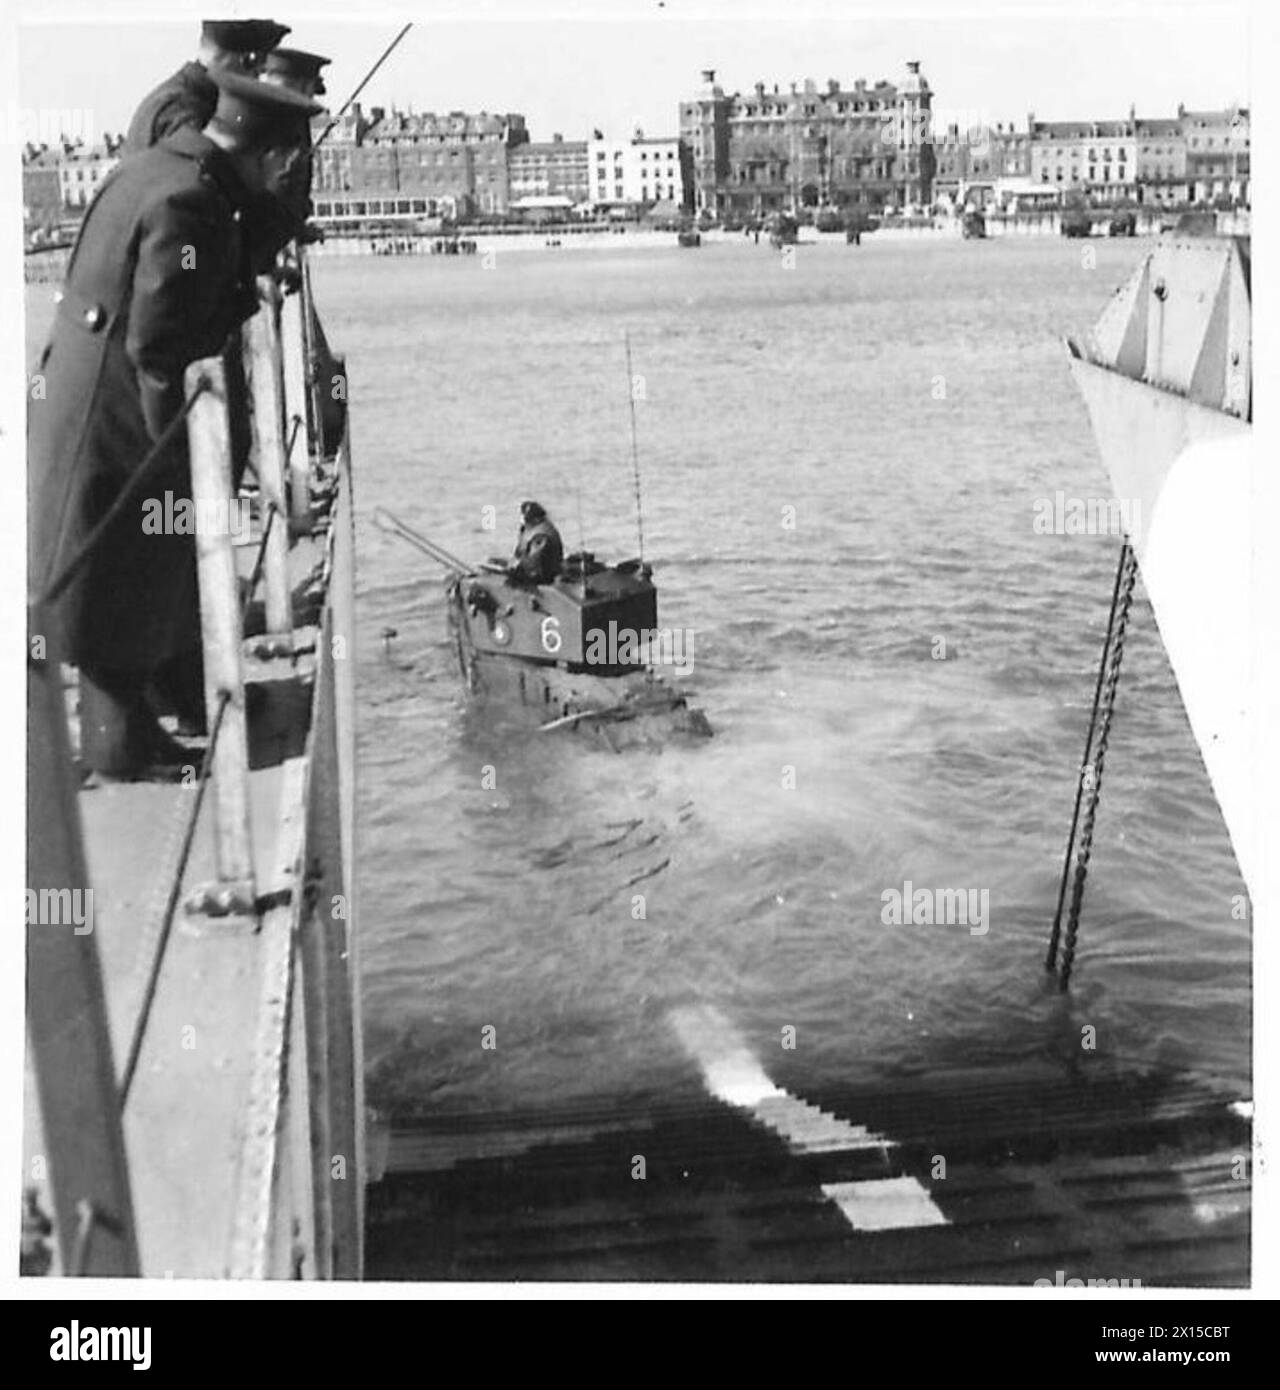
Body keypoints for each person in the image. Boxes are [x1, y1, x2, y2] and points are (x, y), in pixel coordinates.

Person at [28, 70, 324, 779]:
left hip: (84, 421)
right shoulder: (190, 202)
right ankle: (123, 759)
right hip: (120, 437)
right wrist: (193, 466)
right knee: (115, 612)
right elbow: (161, 352)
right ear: (275, 157)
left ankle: (136, 741)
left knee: (115, 604)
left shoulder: (157, 173)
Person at [123, 18, 290, 154]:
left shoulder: (187, 96)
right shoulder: (182, 109)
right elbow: (198, 173)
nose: (258, 76)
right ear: (248, 60)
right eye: (259, 65)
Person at [510, 501, 564, 584]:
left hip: (541, 576)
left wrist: (518, 566)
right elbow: (519, 553)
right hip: (528, 569)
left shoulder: (542, 534)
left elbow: (534, 561)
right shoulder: (529, 530)